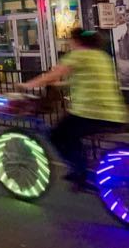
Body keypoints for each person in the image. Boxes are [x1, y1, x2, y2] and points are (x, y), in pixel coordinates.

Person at [19, 28, 128, 190]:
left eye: (71, 41)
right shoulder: (103, 57)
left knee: (58, 134)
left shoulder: (78, 55)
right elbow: (86, 79)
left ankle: (80, 172)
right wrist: (61, 85)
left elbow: (52, 75)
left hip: (90, 113)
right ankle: (87, 167)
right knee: (75, 135)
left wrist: (27, 84)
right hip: (116, 114)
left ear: (76, 41)